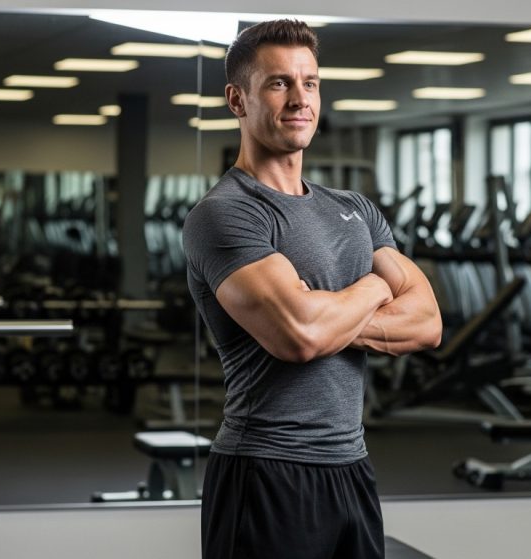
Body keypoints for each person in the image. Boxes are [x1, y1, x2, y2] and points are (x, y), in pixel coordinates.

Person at [182, 20, 442, 559]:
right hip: (266, 471)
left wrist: (329, 313)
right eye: (279, 83)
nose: (300, 98)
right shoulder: (225, 214)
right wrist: (375, 285)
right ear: (237, 99)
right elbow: (299, 335)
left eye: (311, 82)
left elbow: (427, 322)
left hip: (351, 466)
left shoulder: (354, 208)